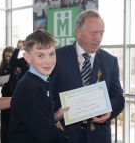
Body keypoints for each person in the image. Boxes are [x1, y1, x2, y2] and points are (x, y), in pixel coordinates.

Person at [50, 10, 125, 143]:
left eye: (101, 33)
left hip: (99, 136)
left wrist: (109, 111)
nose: (99, 38)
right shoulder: (58, 57)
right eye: (94, 33)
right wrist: (53, 119)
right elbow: (47, 95)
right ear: (78, 33)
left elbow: (118, 96)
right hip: (65, 134)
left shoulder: (110, 61)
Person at [9, 29, 69, 143]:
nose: (48, 61)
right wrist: (63, 135)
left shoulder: (41, 80)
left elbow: (36, 118)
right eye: (41, 55)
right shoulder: (29, 87)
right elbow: (47, 135)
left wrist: (54, 117)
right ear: (27, 57)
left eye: (51, 54)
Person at [0, 46, 20, 143]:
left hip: (15, 97)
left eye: (9, 56)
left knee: (15, 122)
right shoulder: (3, 67)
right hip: (5, 97)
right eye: (6, 56)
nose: (7, 58)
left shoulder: (18, 67)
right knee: (5, 122)